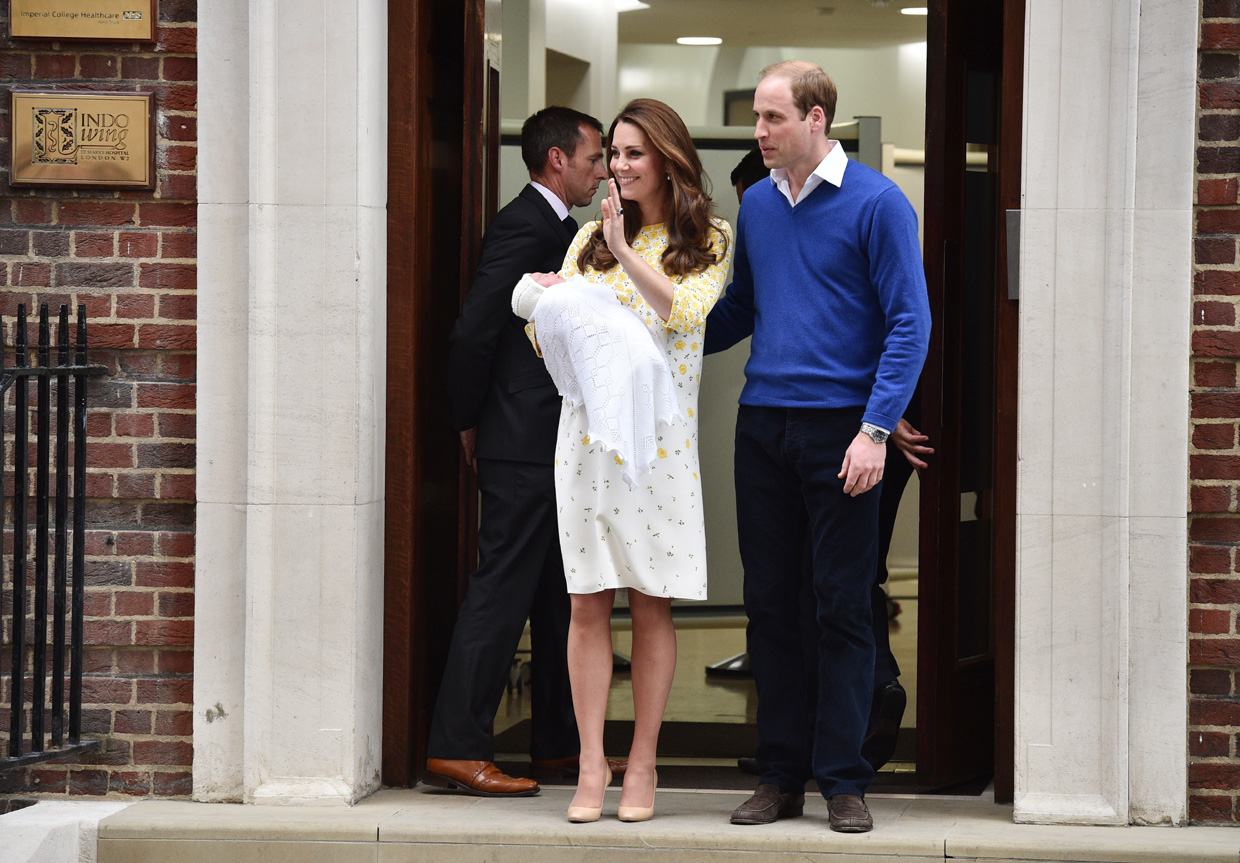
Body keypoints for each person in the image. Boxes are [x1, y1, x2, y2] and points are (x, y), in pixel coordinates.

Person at [705, 62, 931, 833]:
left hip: (844, 431)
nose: (759, 134)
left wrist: (875, 430)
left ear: (817, 120)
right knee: (770, 608)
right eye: (758, 121)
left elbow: (911, 323)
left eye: (772, 119)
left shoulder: (878, 202)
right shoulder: (760, 208)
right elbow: (738, 310)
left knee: (841, 608)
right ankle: (780, 774)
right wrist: (645, 327)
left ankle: (842, 778)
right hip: (762, 427)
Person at [524, 98, 734, 823]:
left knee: (651, 599)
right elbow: (547, 341)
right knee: (586, 600)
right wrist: (549, 307)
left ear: (668, 159)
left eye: (634, 153)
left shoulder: (709, 235)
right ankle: (591, 761)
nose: (618, 165)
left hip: (659, 450)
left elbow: (685, 312)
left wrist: (625, 249)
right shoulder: (585, 239)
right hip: (584, 443)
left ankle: (642, 761)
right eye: (613, 153)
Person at [423, 106, 612, 798]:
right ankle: (457, 746)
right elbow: (475, 328)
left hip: (549, 441)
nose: (603, 169)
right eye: (595, 157)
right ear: (558, 160)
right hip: (520, 441)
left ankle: (560, 742)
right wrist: (468, 418)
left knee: (560, 594)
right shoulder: (523, 226)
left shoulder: (561, 228)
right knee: (500, 590)